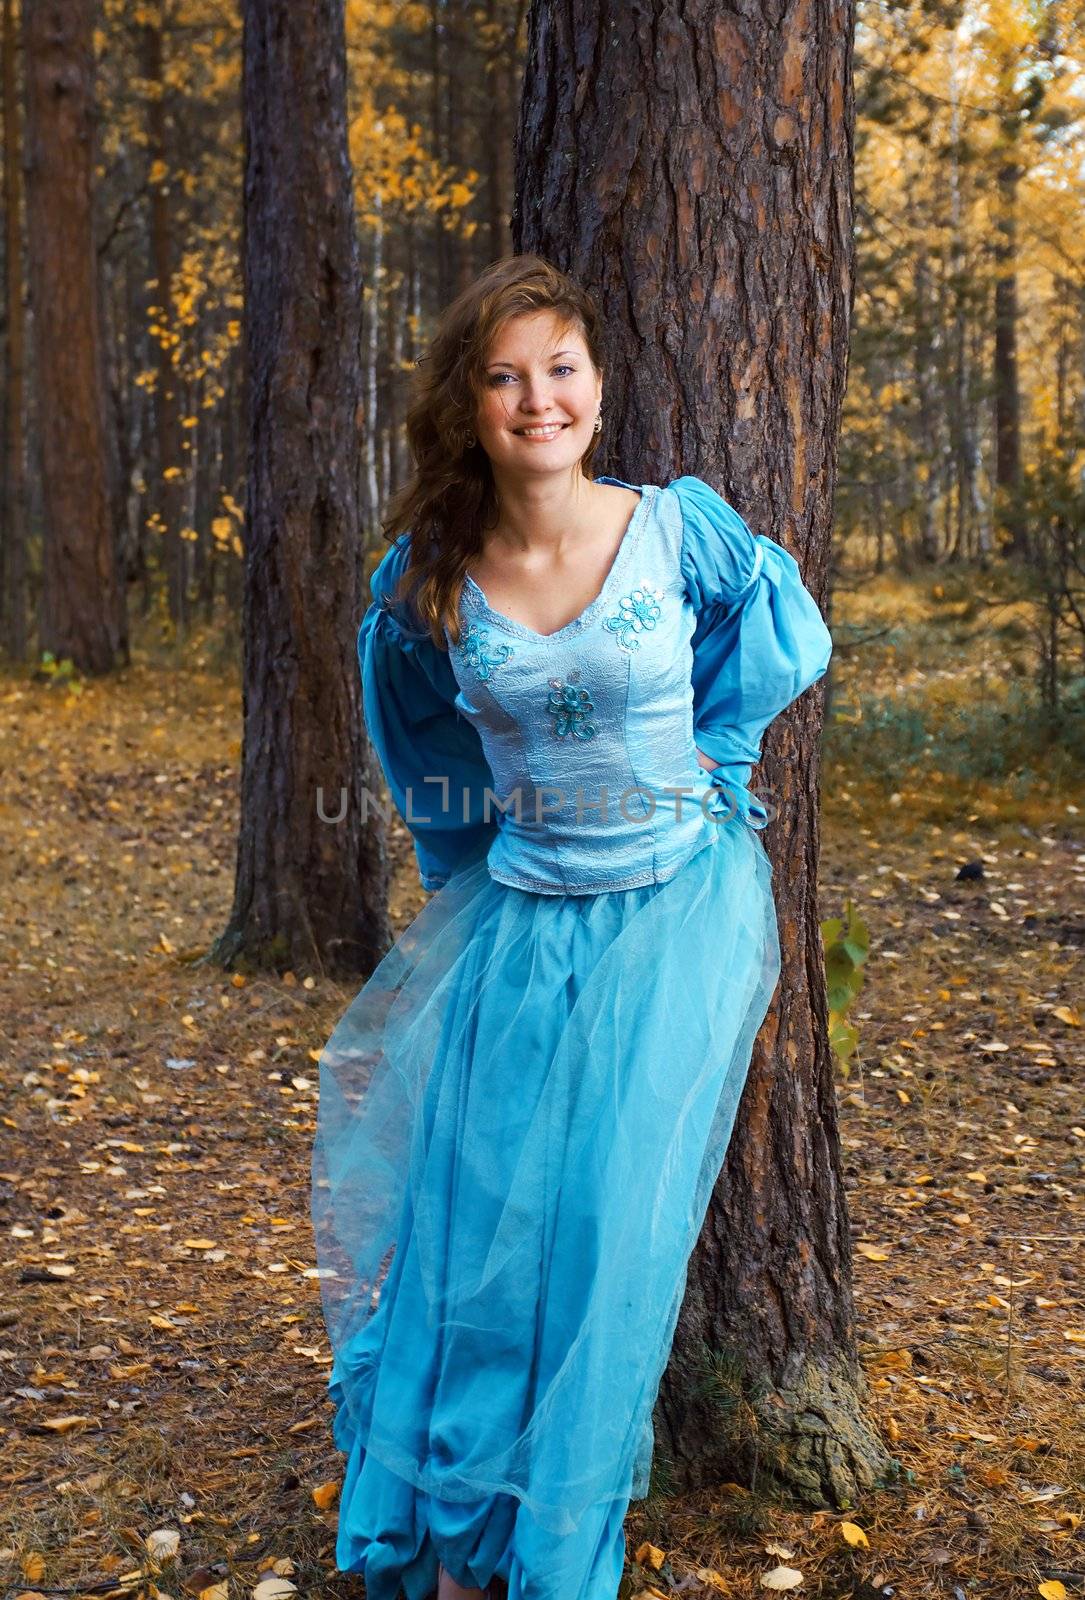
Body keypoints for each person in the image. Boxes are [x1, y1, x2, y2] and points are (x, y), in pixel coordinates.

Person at [310, 254, 833, 1600]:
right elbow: (418, 744)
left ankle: (554, 1545)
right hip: (525, 918)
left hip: (679, 910)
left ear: (595, 384)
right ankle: (448, 1522)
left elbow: (773, 634)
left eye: (559, 366)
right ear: (466, 405)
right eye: (502, 375)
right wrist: (469, 868)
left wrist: (715, 757)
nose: (537, 397)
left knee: (607, 1232)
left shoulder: (675, 530)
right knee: (478, 1218)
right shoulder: (422, 585)